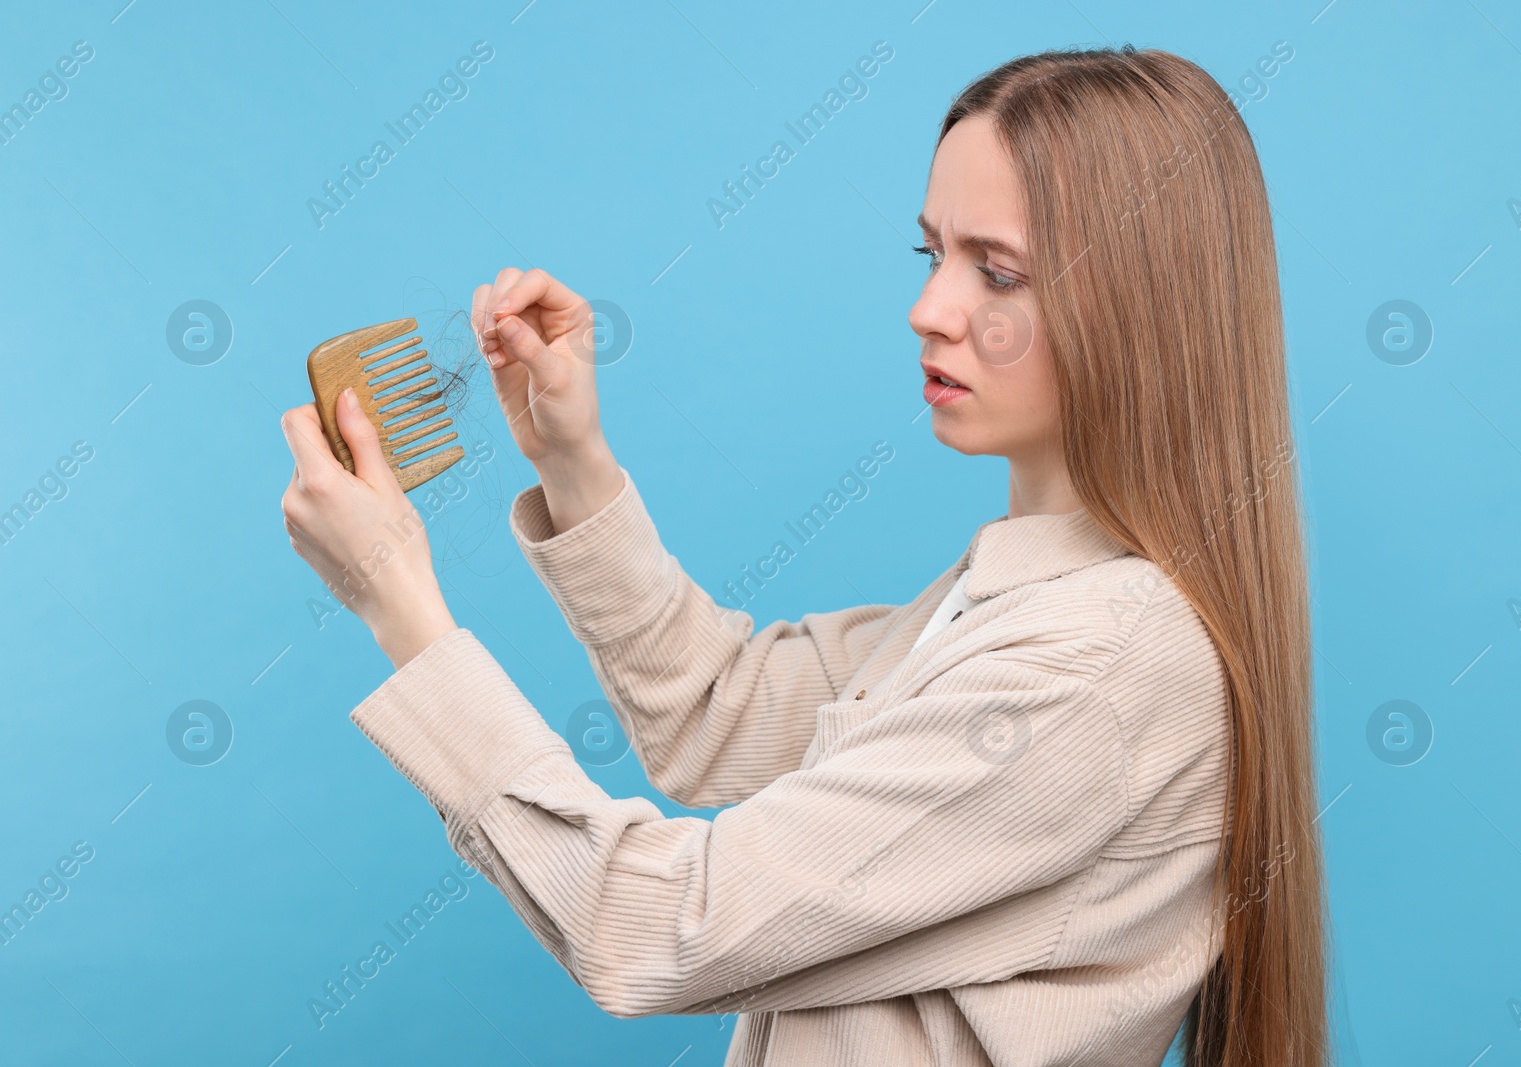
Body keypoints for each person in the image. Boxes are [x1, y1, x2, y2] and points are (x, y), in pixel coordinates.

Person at [279, 45, 1327, 1067]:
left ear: (1140, 306)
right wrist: (571, 456)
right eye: (933, 255)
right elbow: (715, 711)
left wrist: (400, 605)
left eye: (997, 272)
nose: (929, 310)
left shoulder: (1091, 671)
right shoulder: (1001, 606)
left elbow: (649, 926)